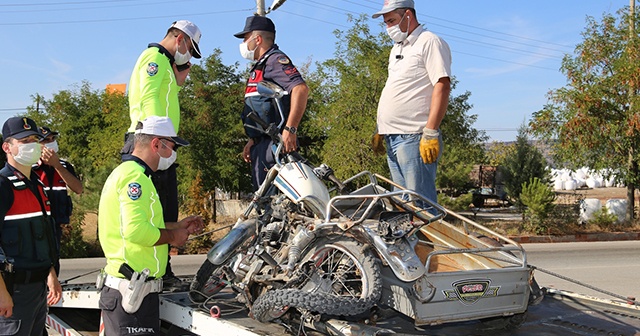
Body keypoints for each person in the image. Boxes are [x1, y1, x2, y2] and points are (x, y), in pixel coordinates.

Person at [98, 116, 204, 335]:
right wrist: (174, 238)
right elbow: (136, 231)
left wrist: (177, 226)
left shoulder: (132, 174)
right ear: (157, 144)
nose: (173, 155)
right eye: (172, 147)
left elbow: (144, 224)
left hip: (135, 291)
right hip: (131, 292)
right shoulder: (134, 179)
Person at [122, 20, 202, 290]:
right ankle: (154, 272)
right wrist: (154, 141)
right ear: (179, 38)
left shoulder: (165, 64)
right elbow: (148, 99)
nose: (188, 54)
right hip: (150, 140)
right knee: (152, 209)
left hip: (160, 141)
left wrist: (177, 81)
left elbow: (160, 96)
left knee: (165, 207)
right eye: (190, 47)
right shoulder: (154, 58)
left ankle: (162, 270)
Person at [371, 0, 452, 207]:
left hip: (414, 137)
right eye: (386, 23)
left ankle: (429, 240)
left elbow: (441, 85)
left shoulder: (429, 42)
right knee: (402, 210)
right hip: (393, 137)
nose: (389, 27)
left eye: (392, 21)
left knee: (420, 208)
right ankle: (415, 241)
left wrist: (431, 131)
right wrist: (382, 128)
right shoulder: (397, 49)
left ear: (408, 15)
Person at [0, 117, 61, 335]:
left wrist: (50, 272)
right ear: (7, 147)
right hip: (13, 291)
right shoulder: (3, 185)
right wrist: (1, 293)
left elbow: (43, 236)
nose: (33, 145)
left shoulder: (37, 185)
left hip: (37, 289)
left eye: (35, 139)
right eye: (24, 140)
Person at [234, 15, 309, 190]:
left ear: (257, 39)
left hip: (275, 145)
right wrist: (253, 140)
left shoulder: (275, 61)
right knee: (264, 200)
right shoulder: (261, 65)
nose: (243, 44)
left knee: (275, 204)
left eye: (245, 38)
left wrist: (290, 129)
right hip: (261, 144)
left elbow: (300, 89)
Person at [33, 126, 83, 276]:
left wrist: (57, 165)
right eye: (45, 140)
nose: (50, 143)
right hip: (36, 226)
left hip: (56, 226)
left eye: (52, 139)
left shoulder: (64, 166)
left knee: (54, 263)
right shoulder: (30, 167)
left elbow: (78, 189)